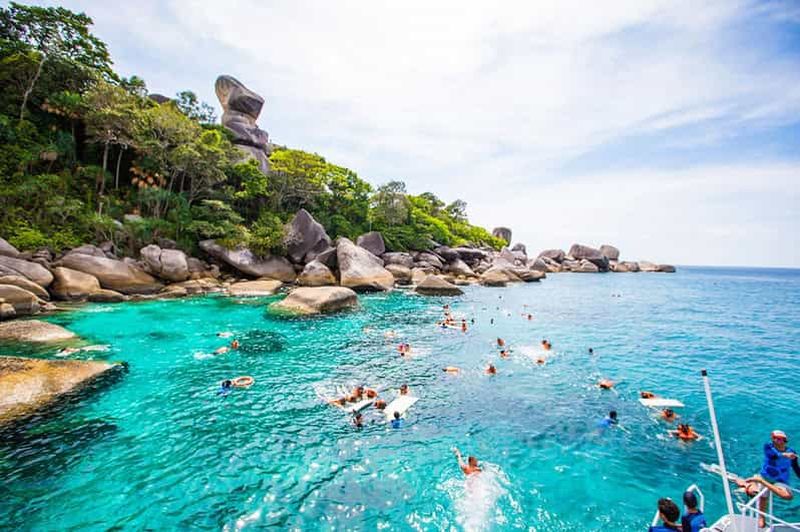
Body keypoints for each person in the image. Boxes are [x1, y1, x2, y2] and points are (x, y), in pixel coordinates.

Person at [734, 430, 799, 528]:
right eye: (774, 438)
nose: (776, 440)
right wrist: (785, 455)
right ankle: (761, 516)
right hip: (766, 477)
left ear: (784, 440)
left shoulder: (792, 452)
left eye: (779, 439)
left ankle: (755, 482)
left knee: (787, 496)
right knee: (762, 497)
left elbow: (796, 468)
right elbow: (772, 456)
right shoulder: (768, 446)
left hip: (780, 481)